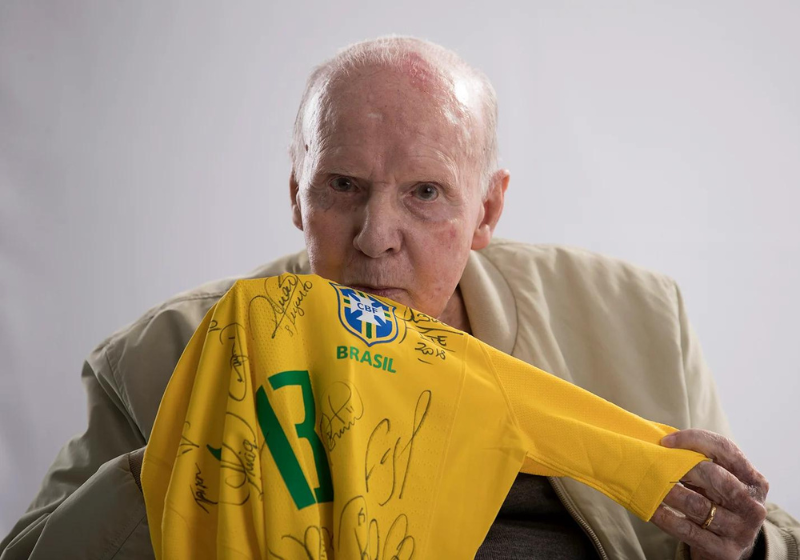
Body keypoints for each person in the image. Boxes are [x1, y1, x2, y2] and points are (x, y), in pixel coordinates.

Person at [1, 35, 797, 560]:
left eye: (425, 194)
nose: (377, 235)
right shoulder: (159, 358)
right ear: (296, 194)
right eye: (343, 186)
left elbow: (774, 539)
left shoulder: (640, 320)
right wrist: (189, 458)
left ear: (488, 210)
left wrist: (737, 544)